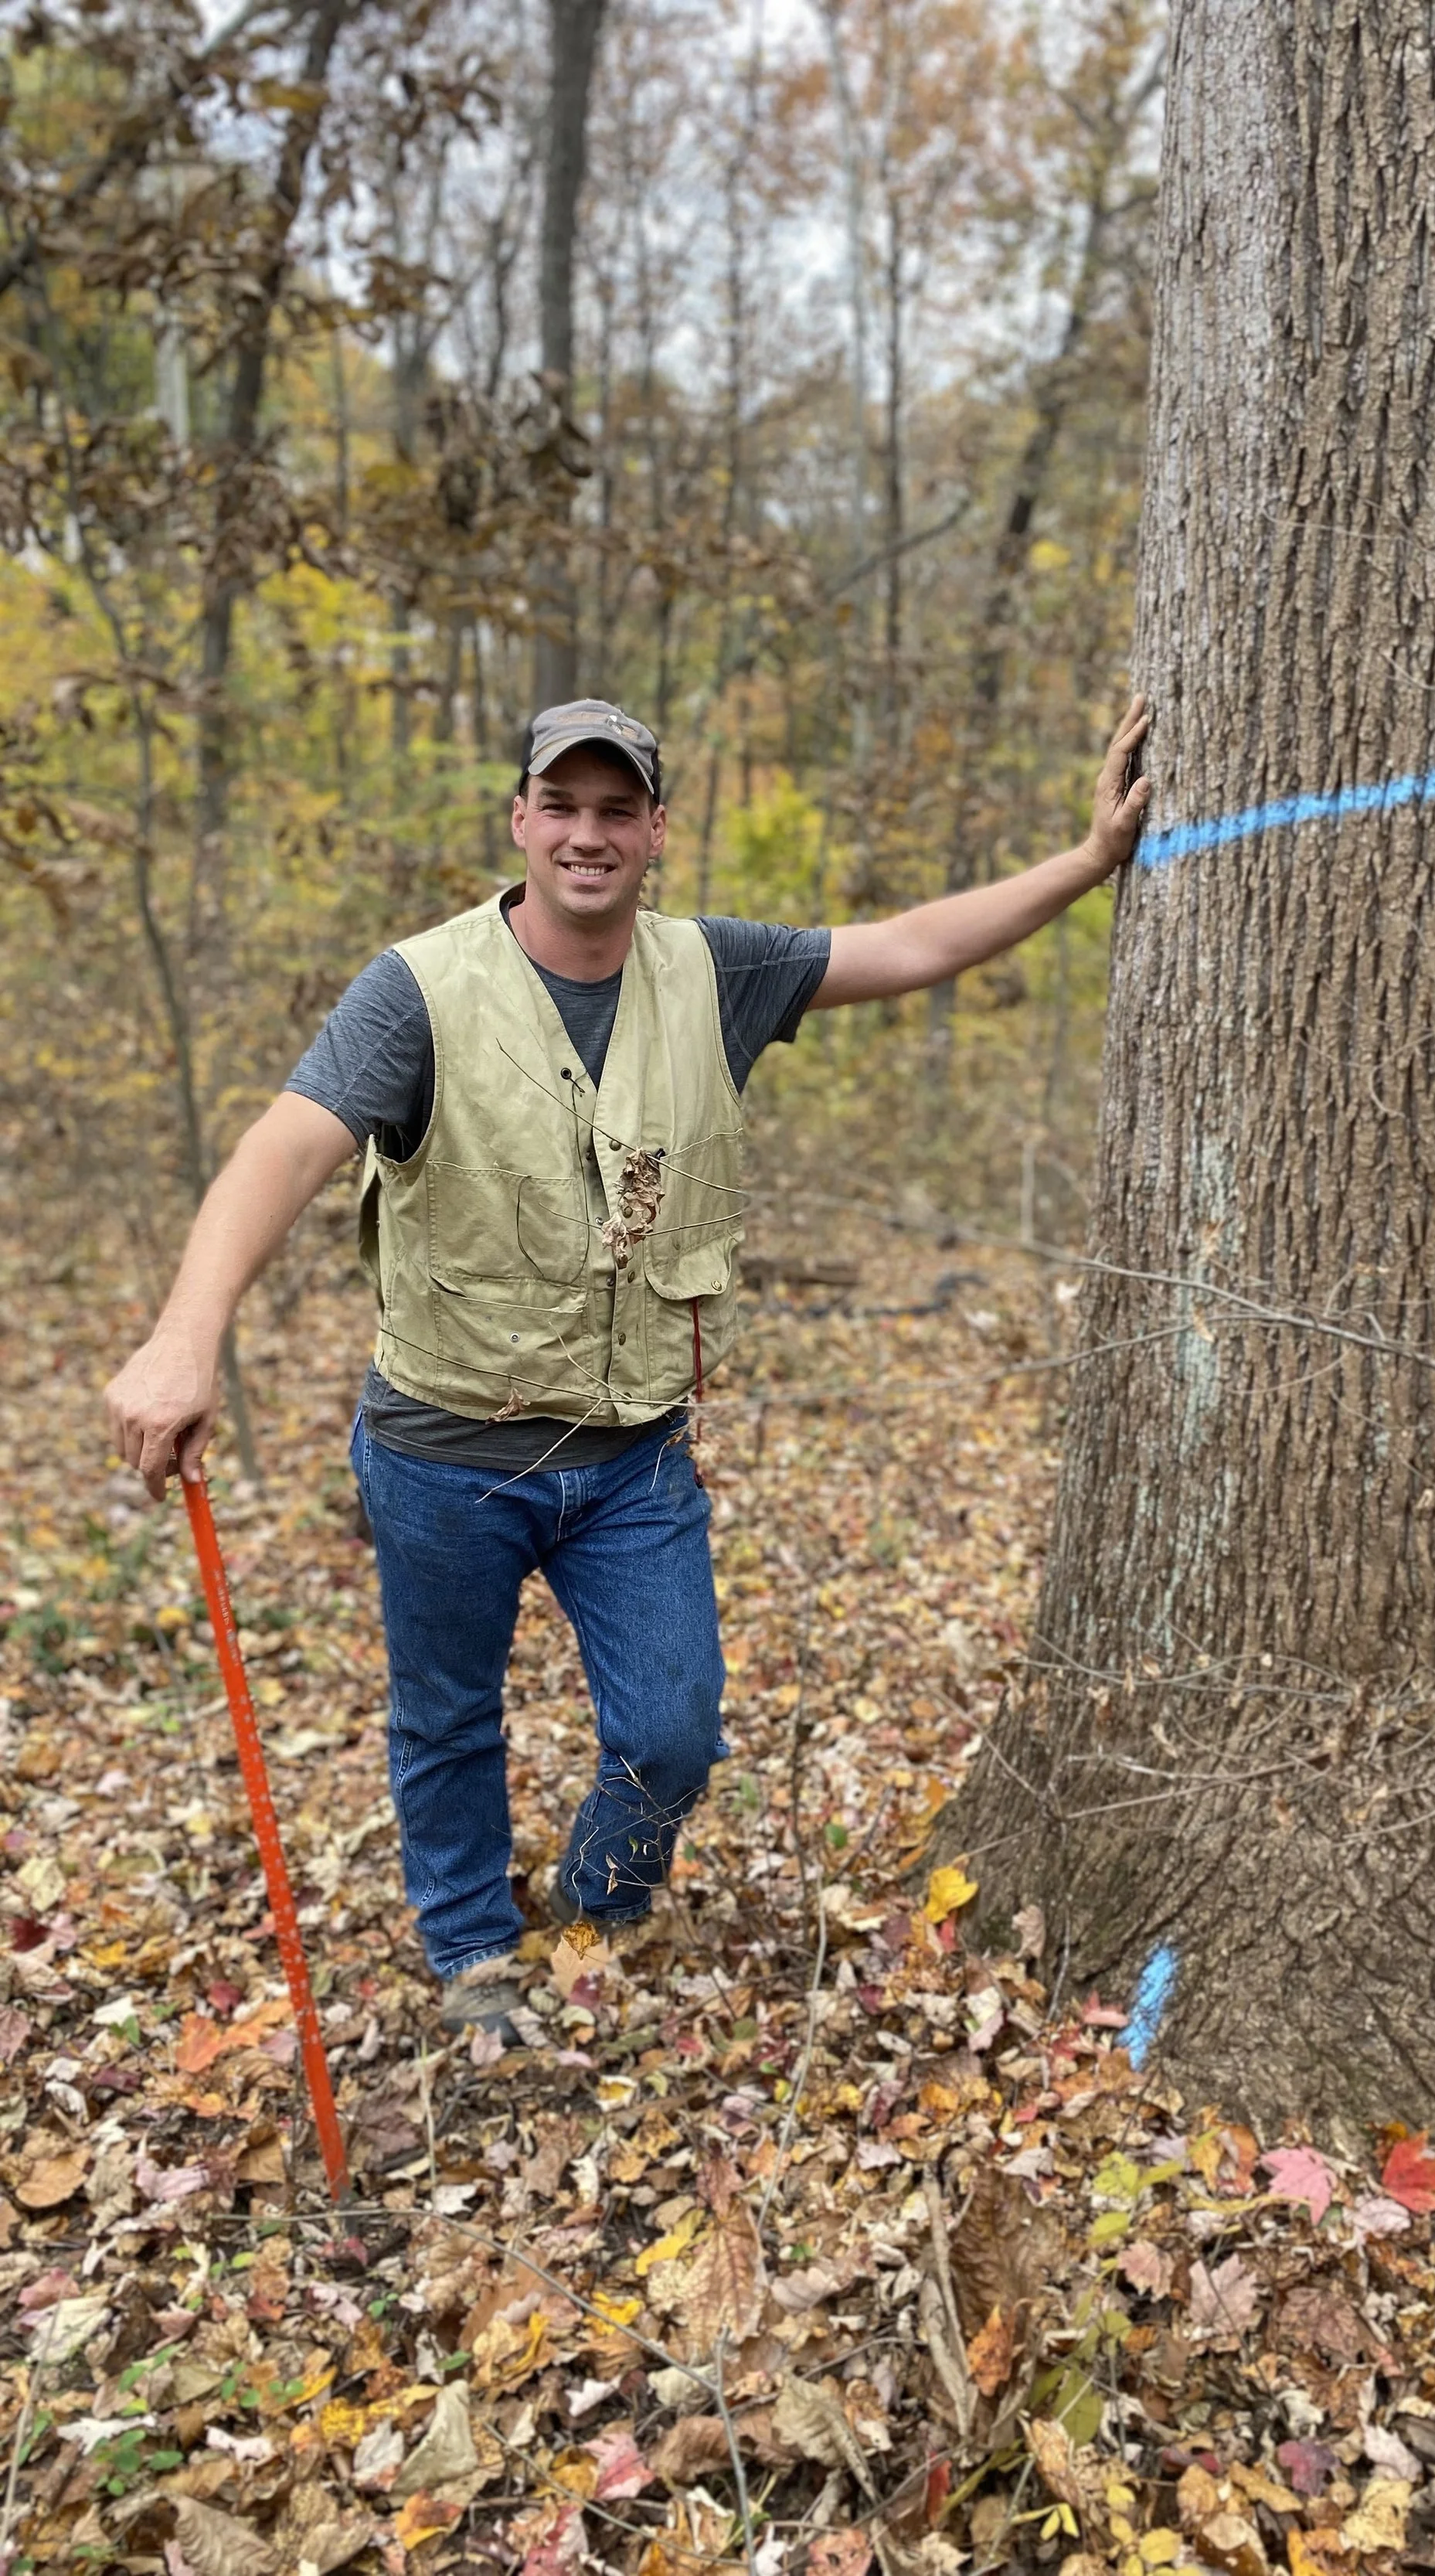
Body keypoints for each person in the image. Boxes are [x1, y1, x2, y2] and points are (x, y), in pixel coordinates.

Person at [105, 692, 1151, 2037]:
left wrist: (1087, 861)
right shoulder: (417, 991)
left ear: (657, 829)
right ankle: (477, 1956)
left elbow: (907, 946)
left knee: (673, 1727)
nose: (587, 835)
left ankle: (601, 1908)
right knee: (446, 1720)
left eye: (617, 810)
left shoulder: (716, 973)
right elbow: (285, 1147)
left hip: (629, 1462)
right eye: (563, 806)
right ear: (522, 820)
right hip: (441, 1451)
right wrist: (186, 1335)